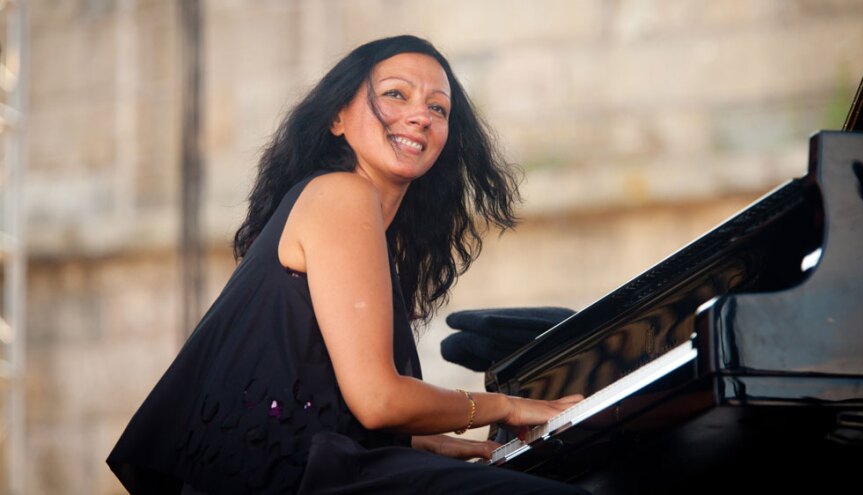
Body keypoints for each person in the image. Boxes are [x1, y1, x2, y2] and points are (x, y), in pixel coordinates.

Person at [108, 35, 587, 494]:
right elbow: (378, 400)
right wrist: (505, 406)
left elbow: (323, 405)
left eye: (437, 108)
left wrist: (427, 441)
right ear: (338, 116)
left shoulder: (361, 225)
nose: (419, 115)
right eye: (395, 95)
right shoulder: (342, 195)